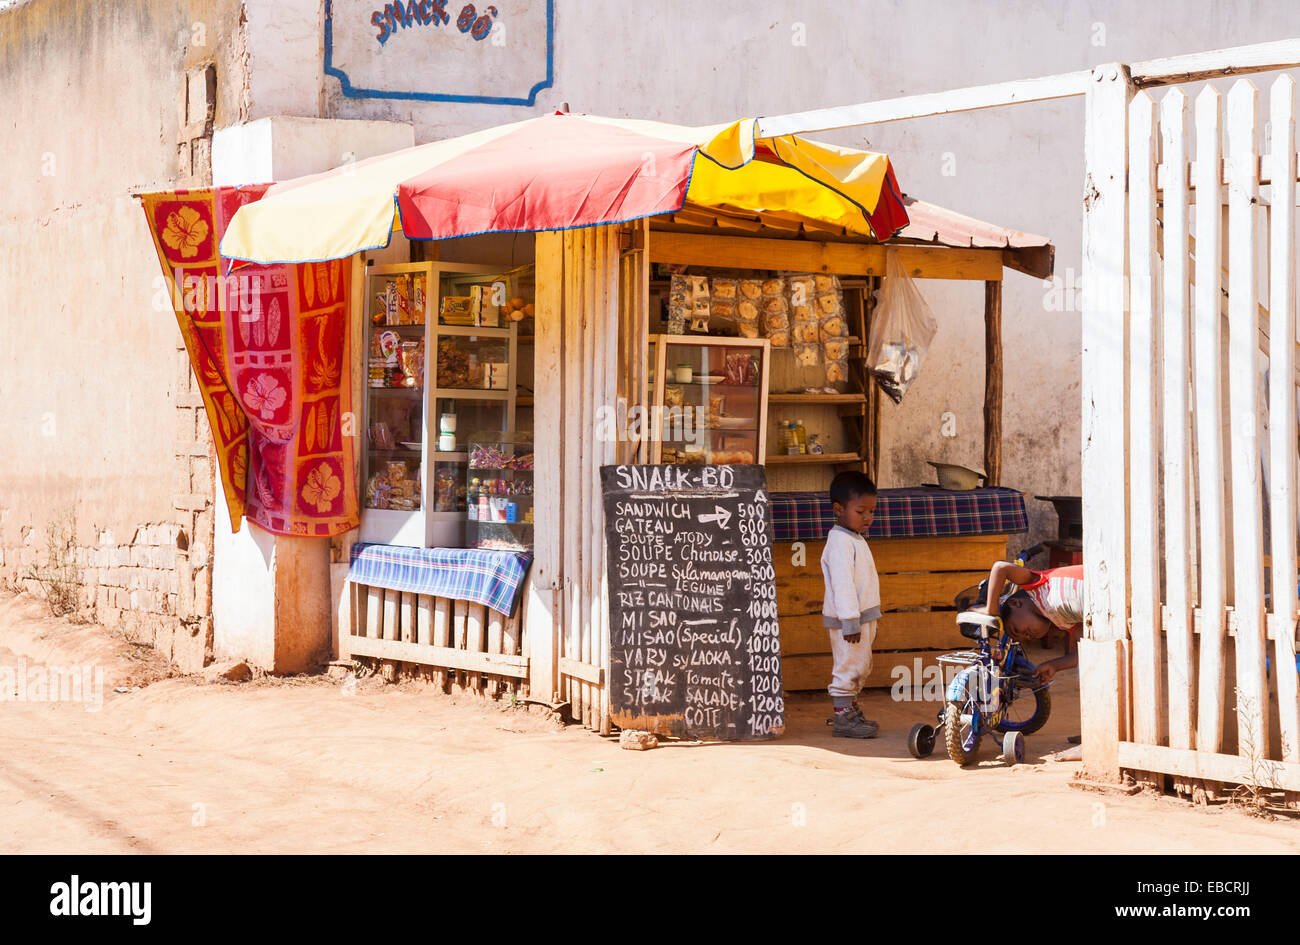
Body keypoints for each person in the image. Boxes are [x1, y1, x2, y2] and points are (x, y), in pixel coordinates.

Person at [821, 471, 882, 738]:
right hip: (850, 622)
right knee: (849, 666)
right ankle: (842, 718)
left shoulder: (854, 537)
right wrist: (850, 620)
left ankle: (851, 711)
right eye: (861, 511)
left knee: (860, 666)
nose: (867, 517)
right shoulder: (840, 542)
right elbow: (843, 584)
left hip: (861, 618)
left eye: (871, 511)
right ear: (839, 509)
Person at [977, 561, 1083, 682]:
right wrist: (1055, 665)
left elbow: (1001, 567)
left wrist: (991, 609)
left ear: (1015, 603)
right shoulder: (1065, 622)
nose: (1026, 636)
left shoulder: (1038, 585)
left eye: (1016, 630)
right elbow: (1086, 650)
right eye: (1027, 639)